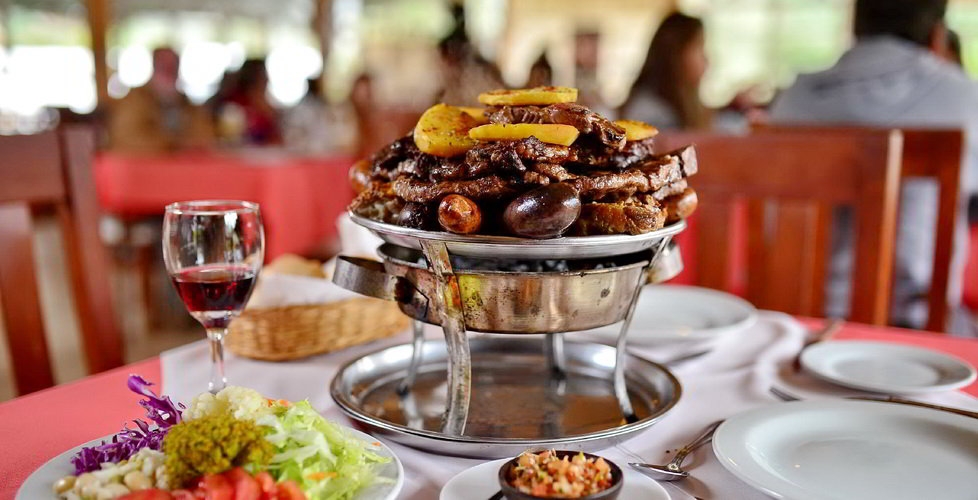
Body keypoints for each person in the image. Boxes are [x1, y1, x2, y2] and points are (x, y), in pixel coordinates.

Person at [770, 0, 978, 332]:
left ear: (855, 25)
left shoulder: (794, 98)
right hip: (918, 325)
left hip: (797, 322)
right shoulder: (966, 97)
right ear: (937, 35)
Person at [109, 47, 214, 153]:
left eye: (173, 67)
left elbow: (206, 137)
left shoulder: (188, 106)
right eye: (163, 66)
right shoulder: (134, 102)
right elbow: (128, 139)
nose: (169, 72)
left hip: (185, 167)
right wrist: (172, 146)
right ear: (154, 68)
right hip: (145, 167)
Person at [621, 13, 710, 130]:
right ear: (677, 54)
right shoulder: (650, 112)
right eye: (699, 47)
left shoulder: (676, 108)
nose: (707, 58)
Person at [215, 59, 282, 146]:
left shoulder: (268, 107)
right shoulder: (234, 102)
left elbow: (277, 139)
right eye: (261, 75)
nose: (266, 79)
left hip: (263, 154)